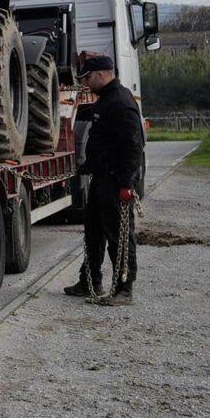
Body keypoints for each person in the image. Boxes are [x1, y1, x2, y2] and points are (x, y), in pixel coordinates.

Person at [63, 55, 143, 304]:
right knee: (93, 232)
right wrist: (88, 166)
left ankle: (124, 289)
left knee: (118, 235)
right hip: (101, 178)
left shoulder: (120, 102)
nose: (85, 83)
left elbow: (133, 147)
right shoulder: (106, 100)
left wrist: (126, 185)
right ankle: (90, 281)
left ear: (102, 74)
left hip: (115, 181)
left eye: (87, 77)